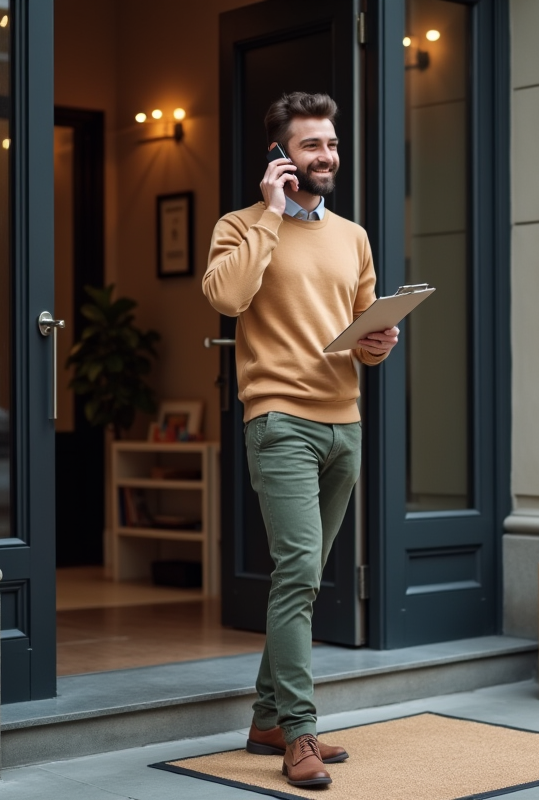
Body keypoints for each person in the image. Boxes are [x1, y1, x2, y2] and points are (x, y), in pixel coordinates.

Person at [202, 91, 398, 788]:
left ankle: (264, 717)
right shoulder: (240, 226)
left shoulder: (353, 236)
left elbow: (364, 338)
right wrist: (271, 216)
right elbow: (225, 297)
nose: (327, 156)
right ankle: (300, 733)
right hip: (280, 419)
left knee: (307, 577)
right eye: (312, 145)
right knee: (296, 574)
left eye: (332, 144)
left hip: (345, 422)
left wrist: (379, 341)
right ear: (281, 155)